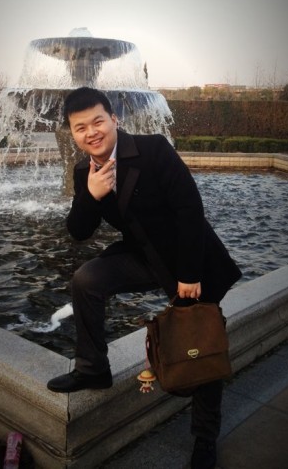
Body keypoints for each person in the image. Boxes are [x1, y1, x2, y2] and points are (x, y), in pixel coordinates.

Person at [47, 87, 242, 469]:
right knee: (86, 280)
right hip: (142, 256)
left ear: (114, 119)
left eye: (98, 121)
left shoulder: (153, 149)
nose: (91, 132)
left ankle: (205, 439)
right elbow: (78, 231)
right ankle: (92, 369)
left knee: (199, 345)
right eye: (80, 127)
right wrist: (90, 195)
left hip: (189, 260)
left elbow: (190, 209)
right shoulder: (84, 171)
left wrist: (190, 273)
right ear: (73, 133)